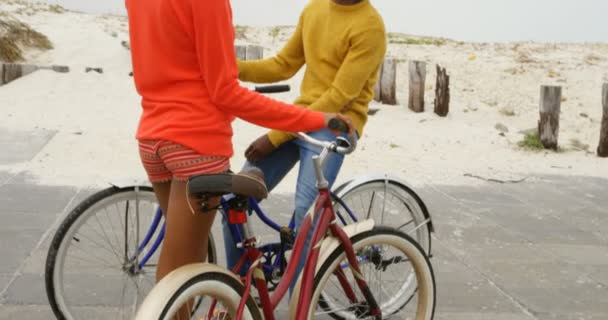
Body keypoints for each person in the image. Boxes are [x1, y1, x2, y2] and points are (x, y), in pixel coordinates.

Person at [125, 0, 351, 316]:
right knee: (177, 281)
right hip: (195, 143)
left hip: (152, 137)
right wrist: (314, 119)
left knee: (181, 266)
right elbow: (226, 93)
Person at [222, 0, 387, 285]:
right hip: (300, 118)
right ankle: (237, 292)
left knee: (305, 216)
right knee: (233, 199)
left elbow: (338, 97)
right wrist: (228, 68)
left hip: (335, 125)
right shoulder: (314, 9)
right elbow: (283, 65)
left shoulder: (370, 27)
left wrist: (275, 136)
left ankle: (298, 303)